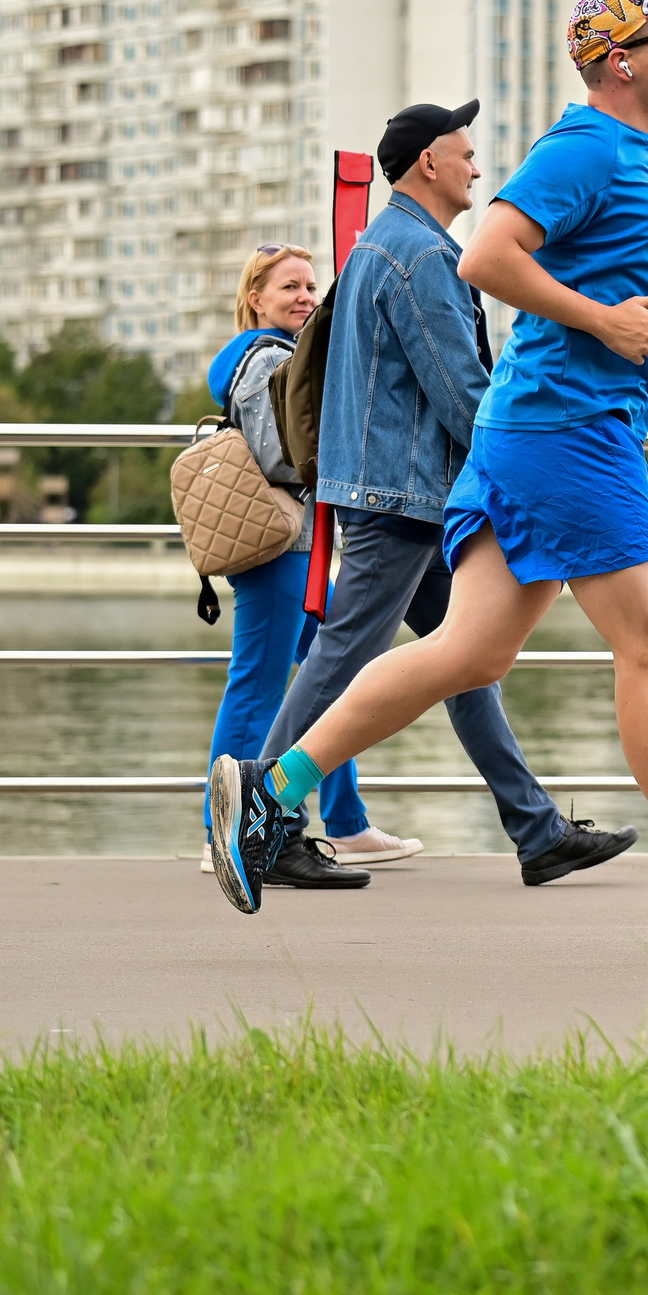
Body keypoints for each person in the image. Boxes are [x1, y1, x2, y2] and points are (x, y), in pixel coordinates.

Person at [209, 0, 648, 954]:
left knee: (470, 653)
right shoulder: (583, 144)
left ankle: (271, 792)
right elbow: (487, 257)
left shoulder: (623, 156)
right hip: (569, 430)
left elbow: (584, 260)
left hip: (535, 430)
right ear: (622, 59)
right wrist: (605, 318)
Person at [242, 99, 638, 888]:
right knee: (345, 655)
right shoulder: (421, 256)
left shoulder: (380, 244)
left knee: (466, 659)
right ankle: (263, 819)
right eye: (464, 153)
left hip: (396, 487)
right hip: (404, 496)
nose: (477, 167)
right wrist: (527, 465)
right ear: (429, 161)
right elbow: (464, 393)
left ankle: (536, 828)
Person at [198, 243, 416, 891]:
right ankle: (222, 833)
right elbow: (279, 455)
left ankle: (344, 819)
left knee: (328, 682)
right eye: (288, 286)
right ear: (255, 298)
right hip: (277, 549)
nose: (303, 296)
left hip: (301, 547)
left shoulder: (283, 356)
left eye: (310, 285)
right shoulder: (263, 359)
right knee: (259, 687)